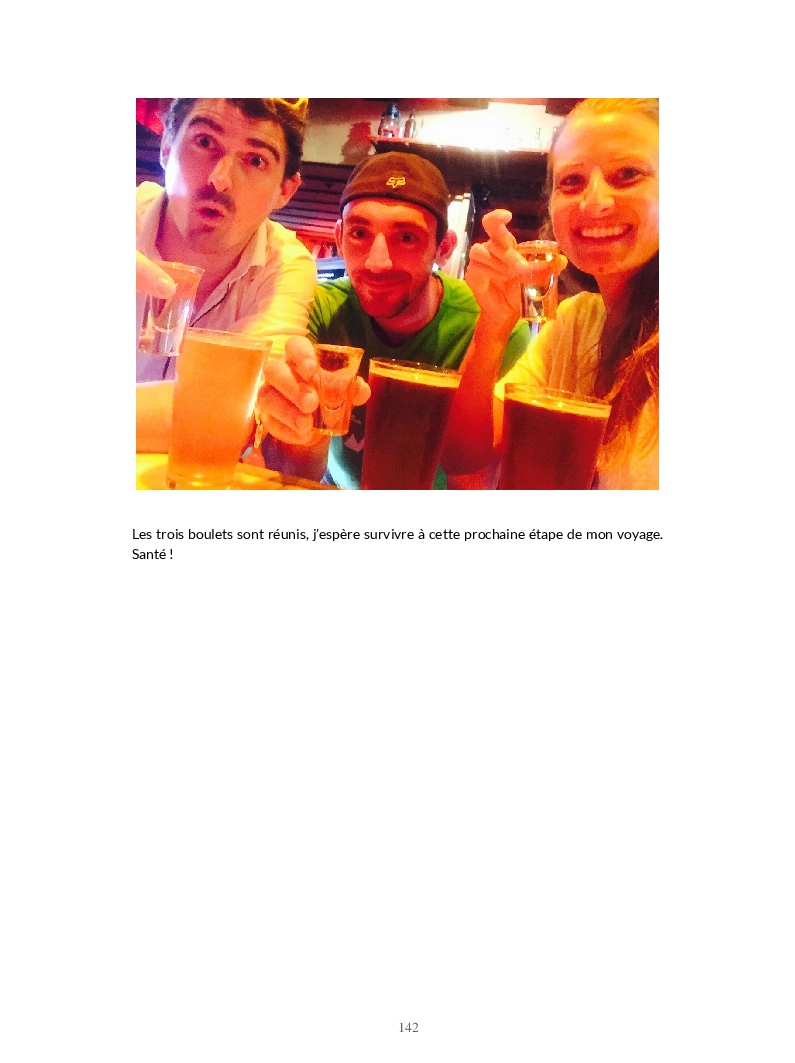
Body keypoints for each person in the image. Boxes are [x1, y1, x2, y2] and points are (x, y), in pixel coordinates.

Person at [257, 152, 530, 488]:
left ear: (444, 248)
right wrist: (301, 423)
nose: (377, 262)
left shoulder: (494, 325)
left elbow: (473, 479)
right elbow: (289, 473)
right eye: (360, 233)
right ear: (339, 237)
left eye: (406, 238)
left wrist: (487, 340)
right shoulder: (317, 307)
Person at [442, 98, 659, 490]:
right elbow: (463, 459)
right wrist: (491, 328)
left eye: (628, 174)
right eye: (571, 181)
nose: (594, 202)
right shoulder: (575, 322)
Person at [136, 98, 317, 452]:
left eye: (255, 160)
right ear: (167, 148)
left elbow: (232, 411)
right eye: (204, 142)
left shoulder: (284, 265)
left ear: (285, 190)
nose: (219, 180)